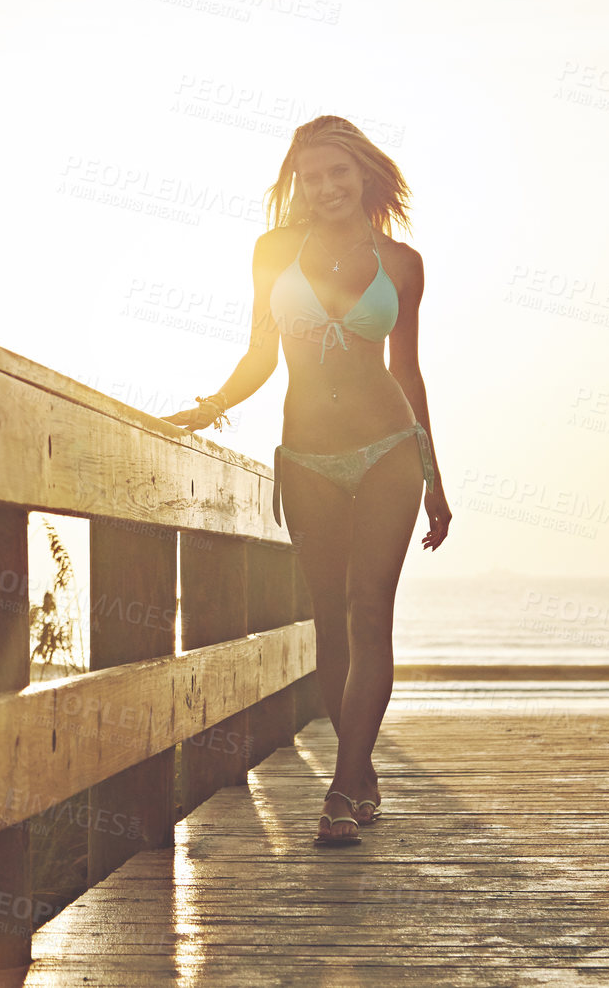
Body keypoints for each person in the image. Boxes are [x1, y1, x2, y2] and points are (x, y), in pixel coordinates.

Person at [162, 115, 450, 845]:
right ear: (296, 184)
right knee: (329, 617)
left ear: (364, 177)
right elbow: (262, 352)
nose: (325, 187)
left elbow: (407, 373)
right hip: (308, 457)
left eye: (338, 174)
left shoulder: (403, 264)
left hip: (389, 448)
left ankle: (340, 791)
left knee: (368, 610)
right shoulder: (273, 252)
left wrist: (435, 479)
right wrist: (212, 406)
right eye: (311, 176)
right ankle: (361, 769)